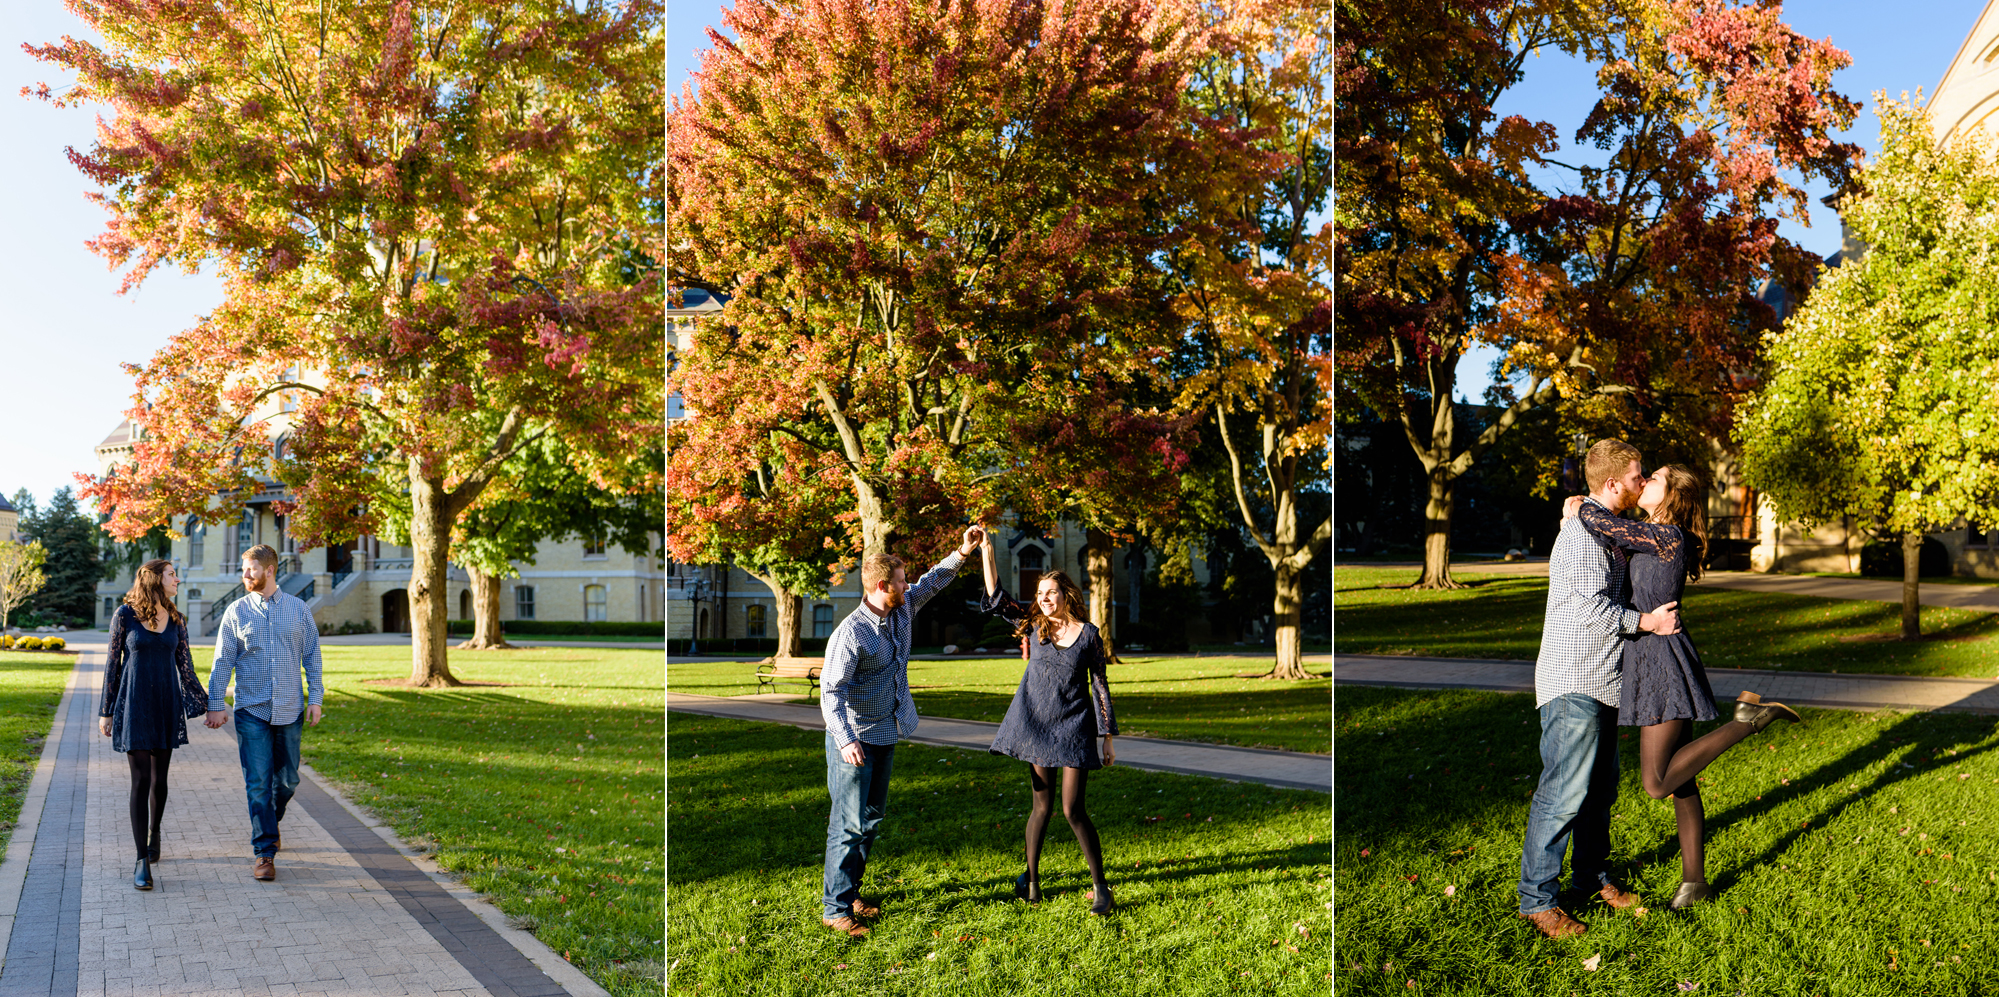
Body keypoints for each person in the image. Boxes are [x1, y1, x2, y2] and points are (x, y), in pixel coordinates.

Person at [1563, 464, 1801, 909]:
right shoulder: (1650, 532)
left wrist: (1580, 506)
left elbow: (1601, 522)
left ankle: (1748, 722)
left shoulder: (1669, 535)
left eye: (1652, 478)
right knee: (1682, 782)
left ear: (1671, 495)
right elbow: (1611, 533)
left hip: (1661, 664)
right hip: (1652, 658)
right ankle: (1695, 883)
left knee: (1656, 784)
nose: (1644, 482)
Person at [1517, 439, 1683, 939]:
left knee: (1598, 792)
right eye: (1637, 475)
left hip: (1605, 682)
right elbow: (1590, 612)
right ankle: (1537, 900)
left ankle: (1591, 879)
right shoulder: (1582, 537)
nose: (1642, 481)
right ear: (1612, 483)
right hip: (1574, 679)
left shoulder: (1595, 525)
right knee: (1564, 793)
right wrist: (1648, 623)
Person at [818, 527, 984, 938]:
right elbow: (830, 691)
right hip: (854, 739)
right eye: (901, 580)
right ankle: (835, 908)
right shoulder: (851, 634)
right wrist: (844, 739)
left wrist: (962, 551)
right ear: (881, 586)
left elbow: (933, 581)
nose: (908, 585)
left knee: (871, 820)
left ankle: (852, 892)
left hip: (887, 731)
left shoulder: (902, 609)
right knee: (848, 824)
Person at [974, 529, 1119, 914]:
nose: (1043, 599)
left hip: (1074, 728)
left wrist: (1107, 736)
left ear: (1065, 594)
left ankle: (1101, 887)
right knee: (1041, 808)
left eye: (1049, 592)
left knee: (1073, 810)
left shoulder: (1088, 635)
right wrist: (988, 550)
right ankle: (1033, 882)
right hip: (1037, 726)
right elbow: (996, 599)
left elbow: (1100, 686)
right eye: (1039, 595)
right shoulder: (1034, 625)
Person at [205, 543, 323, 882]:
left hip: (289, 707)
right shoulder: (236, 612)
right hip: (251, 709)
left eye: (250, 570)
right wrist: (215, 705)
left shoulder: (299, 609)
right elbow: (222, 661)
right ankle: (264, 852)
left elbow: (312, 657)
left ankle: (269, 821)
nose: (244, 575)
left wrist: (315, 698)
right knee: (257, 783)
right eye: (244, 569)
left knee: (287, 781)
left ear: (269, 570)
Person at [100, 559, 206, 891]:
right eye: (172, 574)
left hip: (165, 704)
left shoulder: (177, 619)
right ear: (155, 578)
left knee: (160, 780)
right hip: (133, 705)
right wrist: (106, 710)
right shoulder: (125, 615)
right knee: (141, 779)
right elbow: (112, 664)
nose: (177, 578)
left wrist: (209, 703)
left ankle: (154, 832)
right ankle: (141, 860)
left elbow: (186, 668)